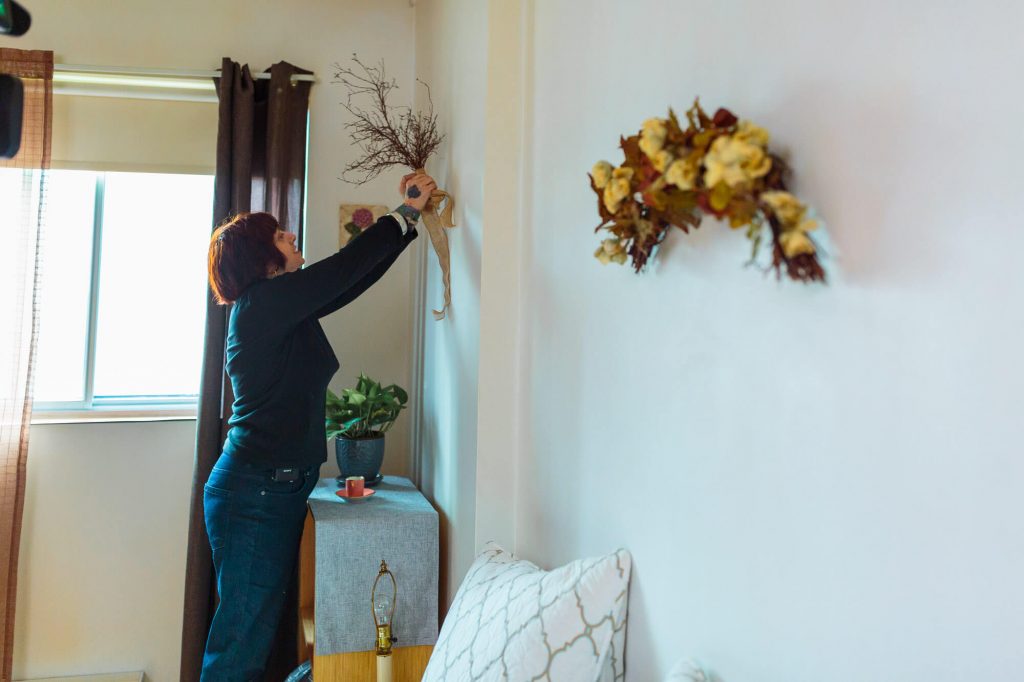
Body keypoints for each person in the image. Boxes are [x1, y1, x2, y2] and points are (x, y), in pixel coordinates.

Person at [201, 171, 437, 681]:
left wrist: (409, 221)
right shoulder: (263, 305)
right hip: (254, 493)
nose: (291, 236)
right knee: (241, 640)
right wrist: (402, 214)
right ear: (263, 260)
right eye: (279, 235)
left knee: (252, 634)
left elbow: (349, 282)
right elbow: (341, 271)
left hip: (268, 490)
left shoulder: (278, 309)